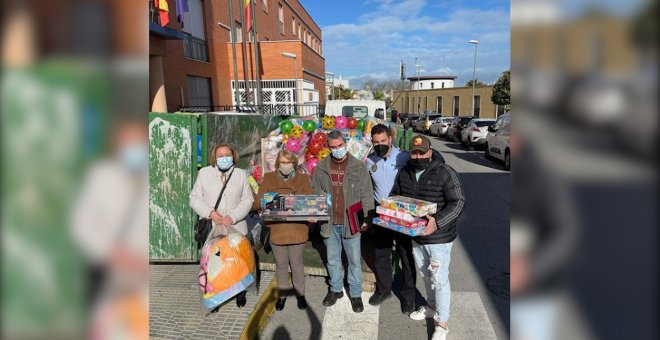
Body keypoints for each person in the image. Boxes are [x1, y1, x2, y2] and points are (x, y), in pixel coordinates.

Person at [390, 135, 465, 340]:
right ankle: (431, 306)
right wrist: (391, 210)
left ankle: (442, 323)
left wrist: (437, 221)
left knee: (439, 279)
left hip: (439, 238)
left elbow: (458, 202)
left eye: (421, 152)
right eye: (414, 152)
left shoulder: (445, 172)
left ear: (430, 152)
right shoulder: (405, 171)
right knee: (425, 274)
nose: (418, 156)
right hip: (416, 236)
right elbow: (396, 194)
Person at [311, 130, 374, 313]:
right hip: (329, 222)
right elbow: (314, 189)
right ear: (328, 148)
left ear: (345, 144)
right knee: (332, 259)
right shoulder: (321, 167)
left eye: (340, 146)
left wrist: (367, 218)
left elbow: (367, 194)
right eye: (333, 147)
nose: (337, 149)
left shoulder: (358, 167)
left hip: (351, 222)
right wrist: (321, 197)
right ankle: (335, 289)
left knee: (354, 260)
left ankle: (355, 294)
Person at [190, 143, 254, 309]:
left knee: (238, 262)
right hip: (214, 227)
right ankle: (216, 295)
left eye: (227, 154)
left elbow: (248, 199)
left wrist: (233, 217)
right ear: (214, 158)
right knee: (215, 263)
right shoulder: (204, 173)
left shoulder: (240, 174)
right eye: (220, 155)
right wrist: (211, 213)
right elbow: (195, 198)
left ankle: (240, 293)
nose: (224, 158)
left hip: (236, 227)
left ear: (233, 156)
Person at [364, 124, 417, 313]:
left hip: (402, 213)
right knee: (381, 253)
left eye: (383, 141)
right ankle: (384, 289)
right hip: (382, 213)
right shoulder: (369, 161)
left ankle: (409, 295)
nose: (380, 145)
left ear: (390, 139)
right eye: (376, 142)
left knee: (405, 254)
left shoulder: (404, 157)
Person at [252, 150, 313, 311]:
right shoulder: (269, 178)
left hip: (297, 229)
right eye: (283, 163)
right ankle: (282, 295)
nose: (286, 166)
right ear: (278, 164)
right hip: (277, 229)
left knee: (297, 263)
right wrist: (262, 205)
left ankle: (301, 294)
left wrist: (312, 212)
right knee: (280, 265)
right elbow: (259, 200)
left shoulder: (303, 178)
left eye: (289, 162)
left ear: (294, 163)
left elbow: (310, 200)